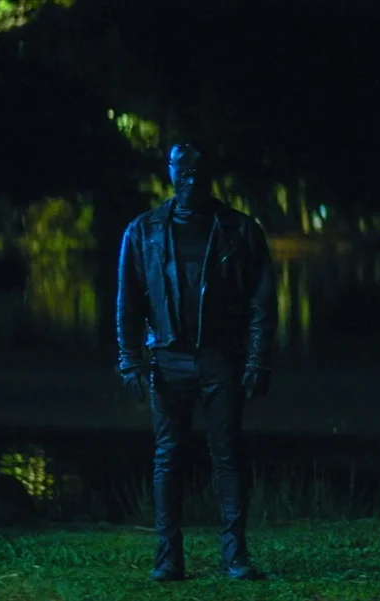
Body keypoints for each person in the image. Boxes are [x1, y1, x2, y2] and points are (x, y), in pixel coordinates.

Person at [115, 142, 277, 582]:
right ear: (170, 172)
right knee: (168, 457)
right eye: (182, 169)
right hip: (167, 360)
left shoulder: (241, 230)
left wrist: (258, 360)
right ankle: (168, 558)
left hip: (221, 360)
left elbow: (262, 301)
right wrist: (129, 360)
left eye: (197, 170)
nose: (190, 177)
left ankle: (235, 556)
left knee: (228, 456)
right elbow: (127, 302)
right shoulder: (143, 231)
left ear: (210, 174)